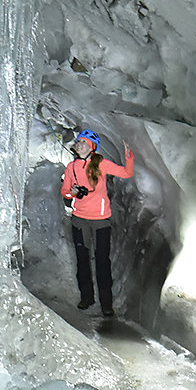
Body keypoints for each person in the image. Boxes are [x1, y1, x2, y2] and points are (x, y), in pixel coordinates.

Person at [60, 129, 134, 316]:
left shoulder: (101, 164)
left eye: (84, 142)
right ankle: (87, 297)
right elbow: (65, 192)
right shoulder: (71, 167)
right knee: (82, 260)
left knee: (102, 262)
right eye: (78, 142)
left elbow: (126, 173)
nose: (80, 145)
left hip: (100, 221)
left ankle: (106, 304)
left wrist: (129, 155)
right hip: (80, 220)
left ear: (92, 147)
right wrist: (73, 193)